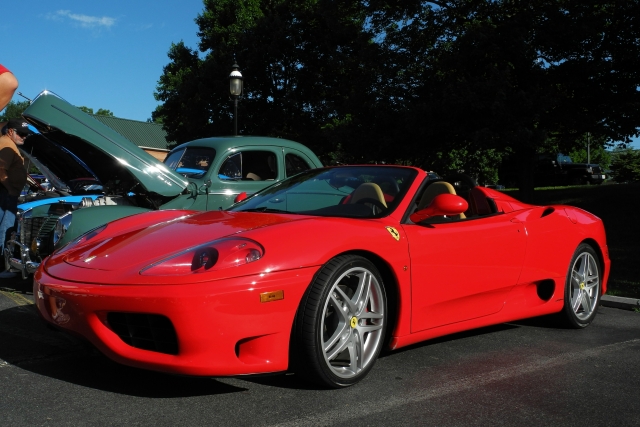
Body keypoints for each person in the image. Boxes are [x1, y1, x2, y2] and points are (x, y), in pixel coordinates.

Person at [0, 118, 33, 278]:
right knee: (5, 229)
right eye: (21, 133)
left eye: (26, 135)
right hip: (5, 195)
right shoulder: (6, 145)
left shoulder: (7, 143)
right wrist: (11, 189)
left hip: (6, 194)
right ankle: (1, 265)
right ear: (11, 131)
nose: (24, 137)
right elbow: (0, 169)